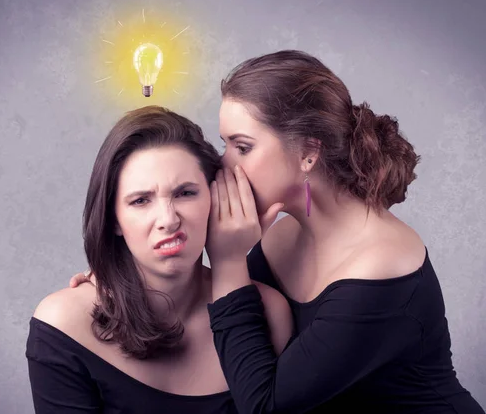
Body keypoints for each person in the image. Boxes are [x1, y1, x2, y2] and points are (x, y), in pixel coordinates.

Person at [72, 50, 485, 413]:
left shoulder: (382, 266)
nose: (223, 164)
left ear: (308, 153)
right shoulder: (281, 235)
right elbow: (226, 312)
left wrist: (231, 258)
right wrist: (125, 282)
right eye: (225, 144)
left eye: (242, 146)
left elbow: (264, 404)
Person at [26, 106, 292, 414]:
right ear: (114, 219)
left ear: (216, 199)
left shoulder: (270, 312)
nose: (168, 219)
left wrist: (230, 260)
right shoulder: (65, 323)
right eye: (140, 201)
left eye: (185, 193)